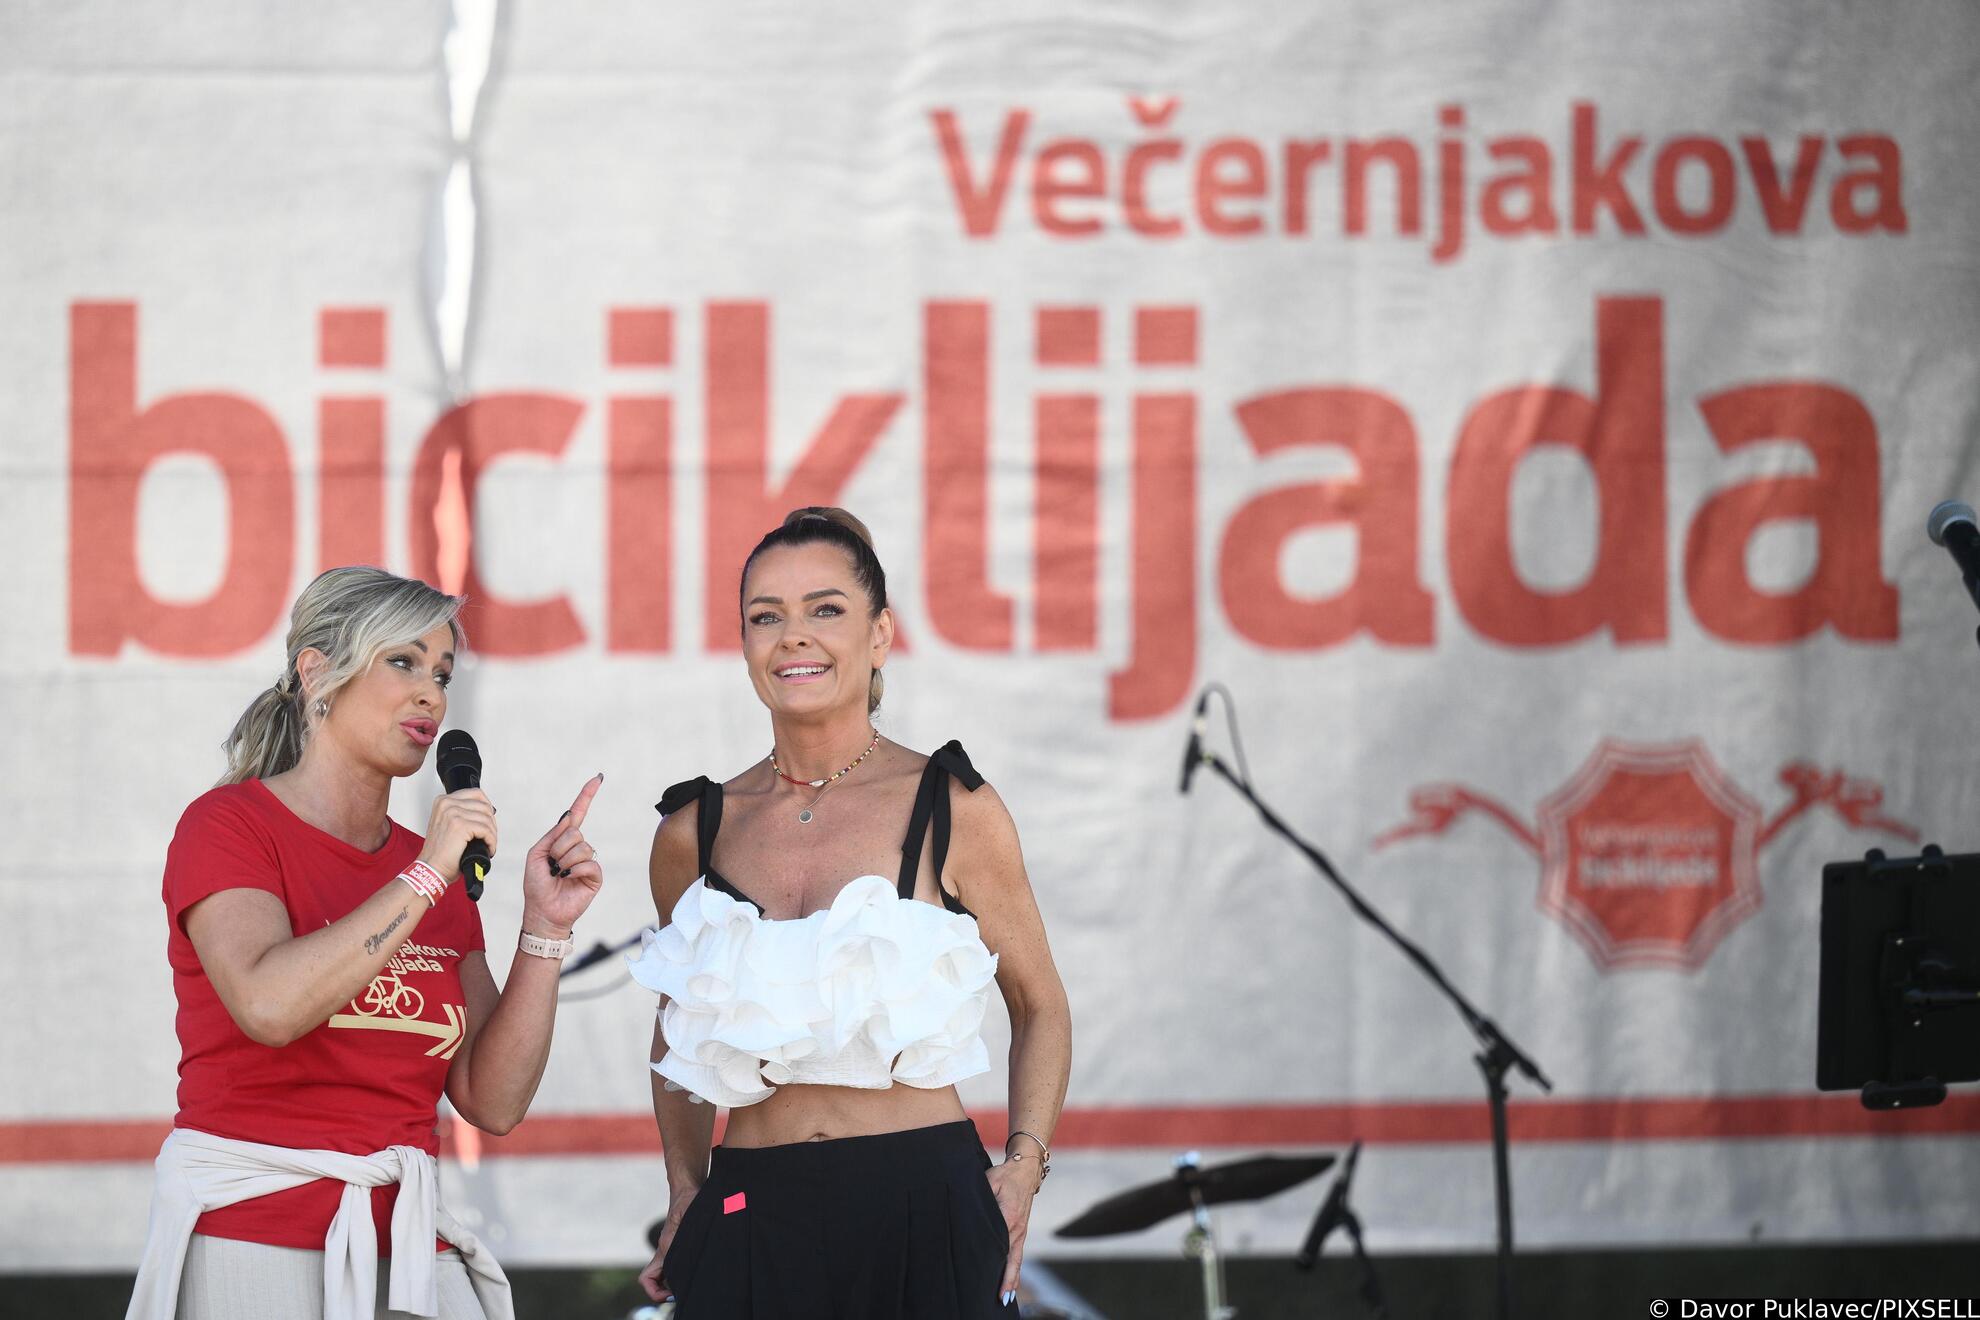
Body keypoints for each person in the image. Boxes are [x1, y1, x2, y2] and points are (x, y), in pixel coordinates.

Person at [126, 566, 606, 1320]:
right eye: (403, 662)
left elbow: (493, 1101)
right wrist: (426, 877)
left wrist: (545, 930)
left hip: (406, 1244)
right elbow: (270, 1006)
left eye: (442, 673)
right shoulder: (229, 826)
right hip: (256, 1233)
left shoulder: (430, 870)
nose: (431, 695)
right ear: (317, 672)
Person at [633, 508, 1074, 1318]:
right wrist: (685, 1187)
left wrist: (1023, 1168)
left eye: (826, 609)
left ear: (880, 635)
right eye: (767, 616)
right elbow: (677, 1034)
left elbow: (1039, 1002)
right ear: (745, 643)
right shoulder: (691, 830)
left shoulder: (955, 806)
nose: (794, 636)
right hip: (751, 1209)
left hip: (926, 1206)